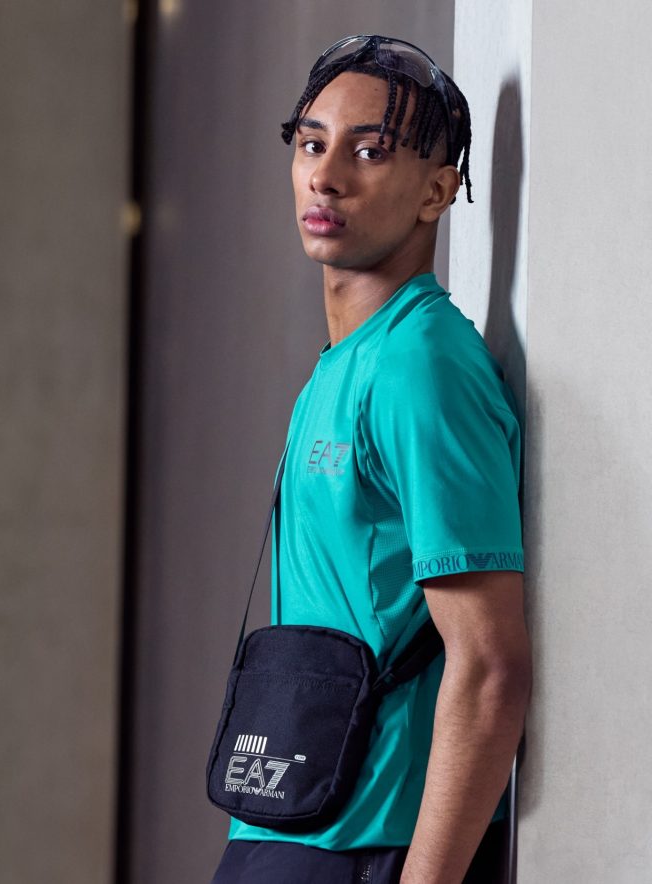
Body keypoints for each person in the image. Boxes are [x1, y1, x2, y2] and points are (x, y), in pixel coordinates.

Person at [211, 34, 532, 884]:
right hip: (286, 816)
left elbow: (490, 666)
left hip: (371, 841)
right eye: (311, 144)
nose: (325, 176)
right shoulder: (343, 364)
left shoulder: (421, 367)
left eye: (369, 151)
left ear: (437, 191)